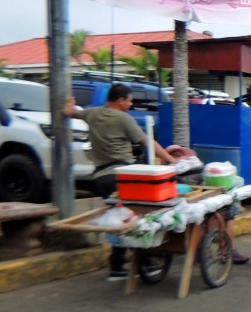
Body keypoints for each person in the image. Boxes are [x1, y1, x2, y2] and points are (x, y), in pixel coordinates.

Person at [64, 83, 177, 281]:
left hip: (101, 177)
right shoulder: (123, 118)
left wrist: (71, 103)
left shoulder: (91, 113)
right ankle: (145, 262)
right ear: (120, 101)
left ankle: (117, 266)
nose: (131, 104)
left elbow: (69, 112)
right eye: (129, 100)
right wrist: (170, 159)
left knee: (119, 219)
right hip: (122, 176)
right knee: (137, 218)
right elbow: (147, 142)